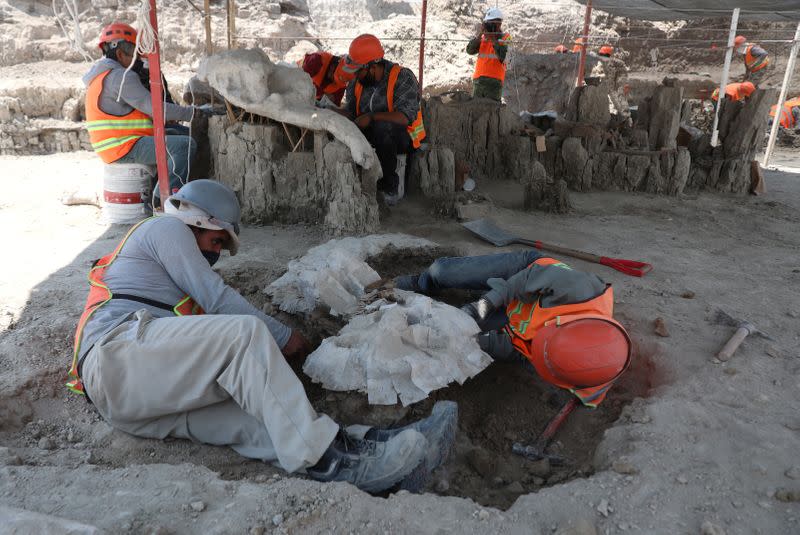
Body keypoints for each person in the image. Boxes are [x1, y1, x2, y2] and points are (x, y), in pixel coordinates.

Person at [67, 179, 457, 493]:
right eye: (217, 241)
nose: (216, 254)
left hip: (133, 402)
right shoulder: (166, 227)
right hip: (114, 358)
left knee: (256, 419)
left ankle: (368, 452)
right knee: (244, 335)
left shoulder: (169, 270)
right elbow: (218, 300)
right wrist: (285, 336)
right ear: (199, 220)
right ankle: (326, 457)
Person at [394, 251, 631, 408]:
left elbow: (514, 349)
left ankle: (472, 305)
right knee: (441, 271)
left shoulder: (567, 368)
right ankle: (422, 282)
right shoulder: (580, 289)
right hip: (521, 276)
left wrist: (469, 341)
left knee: (457, 328)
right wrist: (480, 309)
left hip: (515, 320)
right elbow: (517, 285)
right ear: (558, 327)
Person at [83, 22, 199, 199]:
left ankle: (177, 191)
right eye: (134, 54)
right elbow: (156, 109)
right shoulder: (121, 76)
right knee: (185, 145)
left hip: (119, 142)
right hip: (123, 146)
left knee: (179, 132)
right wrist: (193, 113)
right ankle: (163, 200)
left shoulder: (101, 76)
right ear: (120, 53)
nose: (137, 60)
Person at [341, 34, 426, 206]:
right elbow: (351, 113)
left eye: (359, 71)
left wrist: (371, 117)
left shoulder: (402, 77)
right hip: (372, 136)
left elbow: (404, 117)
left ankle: (389, 187)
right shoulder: (358, 82)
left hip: (402, 139)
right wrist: (332, 113)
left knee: (383, 127)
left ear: (372, 67)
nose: (356, 76)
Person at [466, 7, 511, 101]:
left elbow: (505, 57)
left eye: (492, 24)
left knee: (491, 112)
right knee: (476, 112)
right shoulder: (482, 37)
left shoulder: (506, 37)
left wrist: (493, 39)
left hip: (494, 83)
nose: (490, 26)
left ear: (499, 24)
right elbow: (469, 50)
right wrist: (480, 34)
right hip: (479, 81)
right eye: (488, 24)